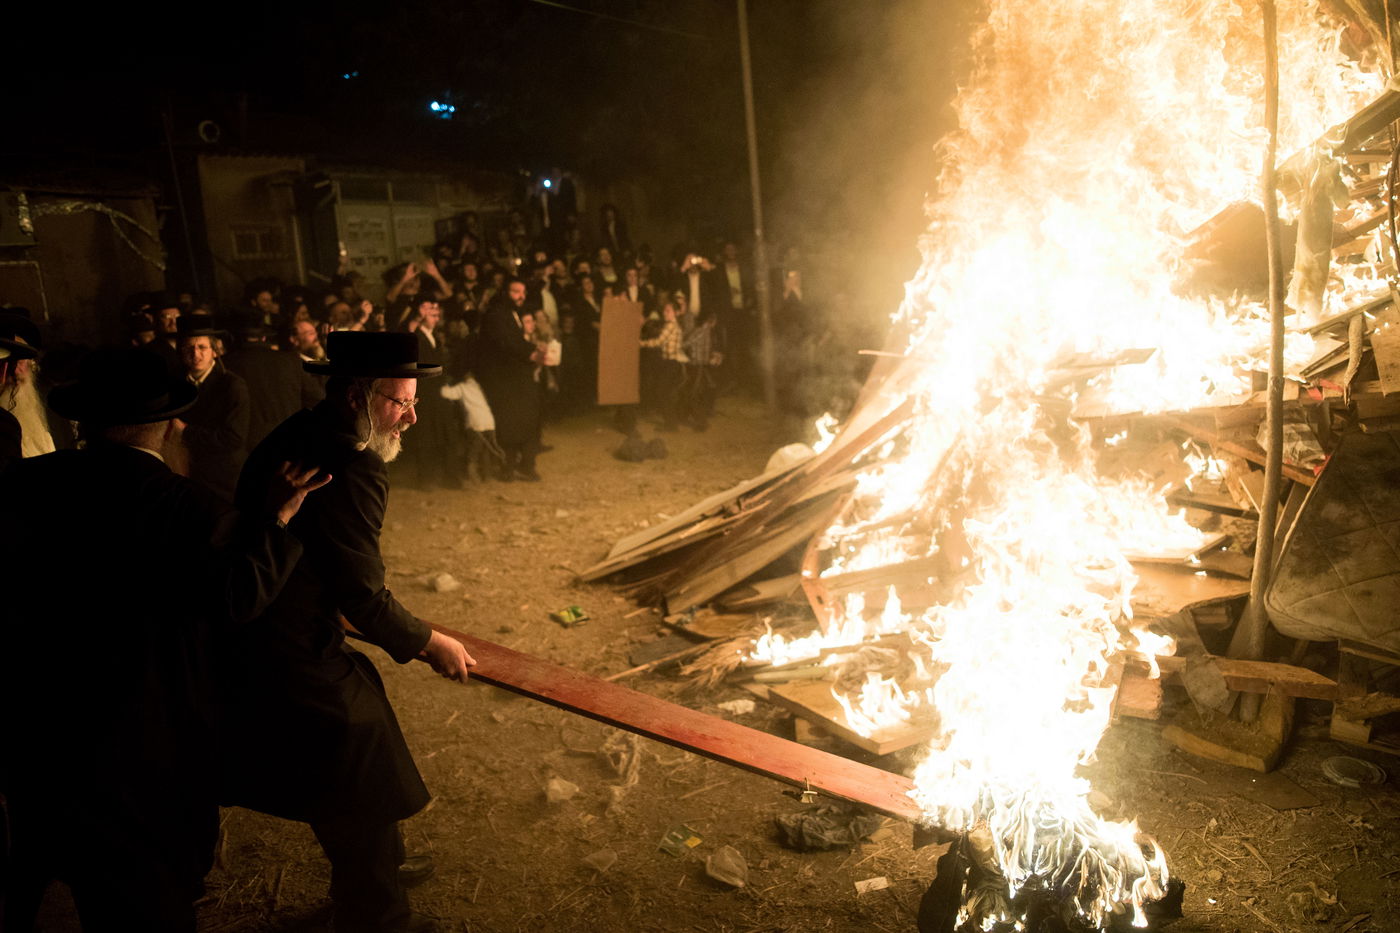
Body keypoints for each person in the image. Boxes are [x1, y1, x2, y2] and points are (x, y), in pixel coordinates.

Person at [0, 346, 325, 932]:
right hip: (145, 744)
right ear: (169, 425)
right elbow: (236, 600)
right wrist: (274, 524)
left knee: (42, 861)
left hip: (38, 729)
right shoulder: (189, 509)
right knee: (147, 902)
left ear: (83, 421)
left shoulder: (20, 484)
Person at [223, 331, 475, 933]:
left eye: (415, 402)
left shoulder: (299, 428)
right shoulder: (352, 464)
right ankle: (376, 913)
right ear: (357, 394)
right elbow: (362, 594)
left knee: (365, 749)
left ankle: (381, 867)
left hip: (285, 625)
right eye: (398, 403)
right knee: (357, 754)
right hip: (284, 644)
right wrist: (428, 642)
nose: (411, 418)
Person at [476, 280, 545, 480]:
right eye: (515, 291)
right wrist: (531, 353)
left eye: (523, 292)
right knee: (512, 422)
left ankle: (522, 464)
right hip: (505, 379)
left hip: (515, 377)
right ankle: (513, 465)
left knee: (522, 421)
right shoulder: (497, 314)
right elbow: (506, 342)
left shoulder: (511, 314)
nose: (520, 296)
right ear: (505, 292)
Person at [176, 315, 250, 501]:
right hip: (190, 476)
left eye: (202, 347)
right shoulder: (176, 384)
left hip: (224, 480)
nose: (195, 354)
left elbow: (233, 438)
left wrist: (185, 431)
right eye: (189, 348)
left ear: (214, 351)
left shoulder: (231, 385)